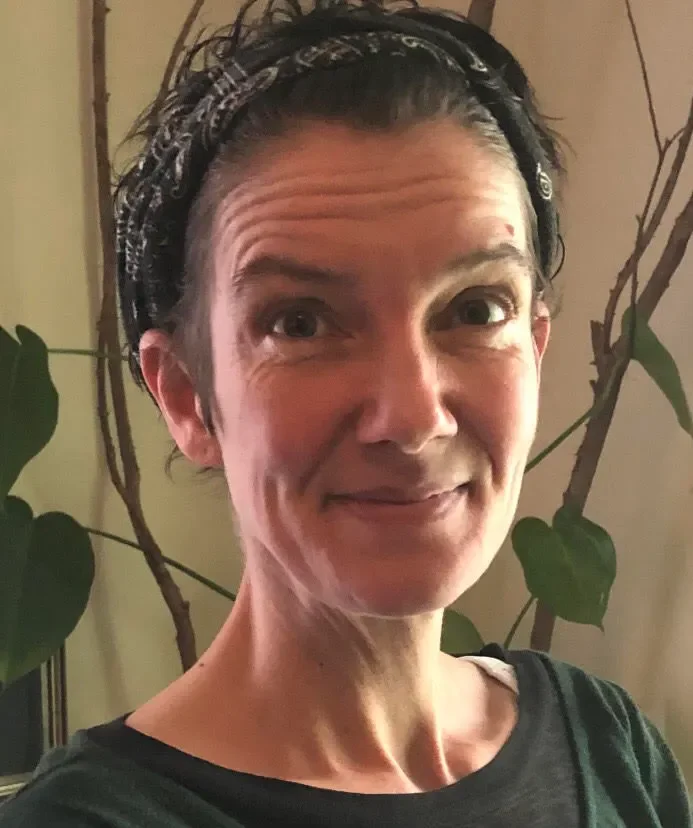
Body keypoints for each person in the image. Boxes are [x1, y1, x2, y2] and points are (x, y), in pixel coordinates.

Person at [1, 0, 690, 825]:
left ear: (535, 349)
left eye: (474, 310)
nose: (411, 417)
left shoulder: (606, 746)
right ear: (186, 395)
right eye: (300, 322)